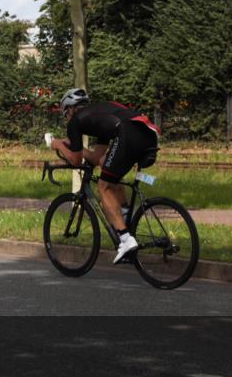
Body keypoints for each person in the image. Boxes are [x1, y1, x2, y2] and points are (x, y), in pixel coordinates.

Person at [49, 88, 161, 264]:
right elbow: (95, 157)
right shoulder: (100, 114)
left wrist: (58, 145)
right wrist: (73, 145)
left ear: (70, 109)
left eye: (66, 114)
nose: (67, 118)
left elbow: (76, 161)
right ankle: (124, 219)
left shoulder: (76, 121)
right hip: (148, 134)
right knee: (110, 172)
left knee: (103, 187)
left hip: (127, 134)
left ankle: (125, 240)